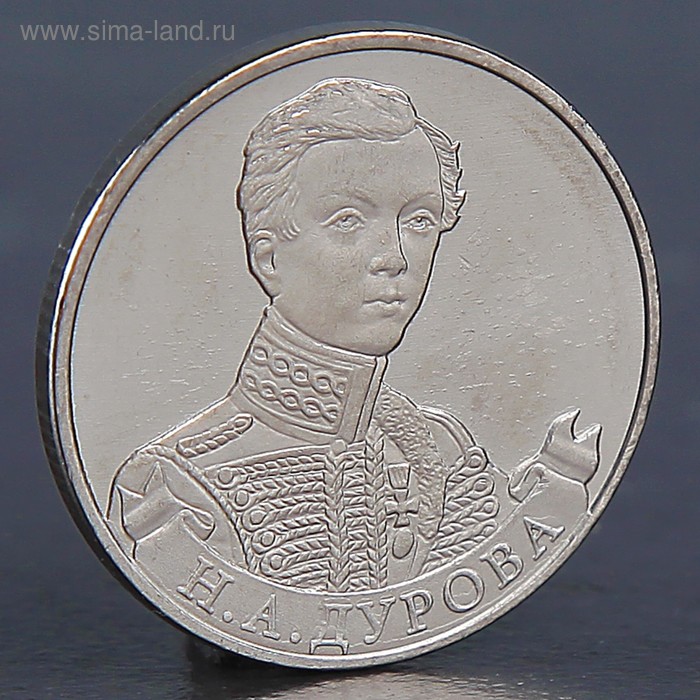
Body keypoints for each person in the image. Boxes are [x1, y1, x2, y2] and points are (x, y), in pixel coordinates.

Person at [108, 78, 600, 593]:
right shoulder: (173, 483)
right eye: (348, 220)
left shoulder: (440, 451)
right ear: (268, 258)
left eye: (419, 220)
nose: (394, 257)